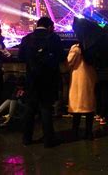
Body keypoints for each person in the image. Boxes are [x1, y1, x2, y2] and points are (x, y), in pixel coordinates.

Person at [19, 17, 66, 148]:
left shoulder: (27, 39)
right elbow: (62, 57)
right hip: (48, 79)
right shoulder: (54, 38)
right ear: (49, 26)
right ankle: (48, 139)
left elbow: (21, 57)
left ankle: (26, 138)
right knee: (46, 108)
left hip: (31, 79)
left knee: (29, 109)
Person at [67, 17, 100, 139]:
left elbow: (69, 62)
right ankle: (88, 132)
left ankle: (75, 132)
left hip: (77, 80)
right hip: (90, 78)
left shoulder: (76, 48)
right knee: (89, 108)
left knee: (77, 109)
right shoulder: (93, 48)